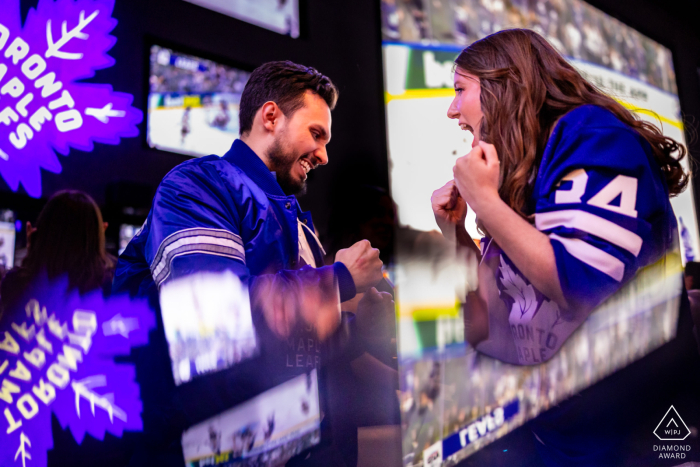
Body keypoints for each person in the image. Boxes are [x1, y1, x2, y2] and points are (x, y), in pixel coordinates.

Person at [430, 28, 689, 466]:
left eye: (460, 90)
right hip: (555, 432)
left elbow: (581, 284)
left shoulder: (590, 133)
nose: (453, 109)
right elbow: (489, 328)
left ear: (504, 84)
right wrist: (453, 233)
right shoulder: (522, 169)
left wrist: (487, 204)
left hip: (628, 439)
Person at [113, 61, 392, 466]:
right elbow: (212, 319)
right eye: (316, 134)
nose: (325, 155)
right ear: (271, 116)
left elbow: (293, 348)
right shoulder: (197, 185)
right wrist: (339, 280)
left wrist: (354, 328)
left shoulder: (296, 218)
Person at [0, 190, 114, 315]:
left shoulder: (15, 284)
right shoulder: (108, 289)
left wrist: (32, 255)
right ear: (94, 238)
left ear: (42, 233)